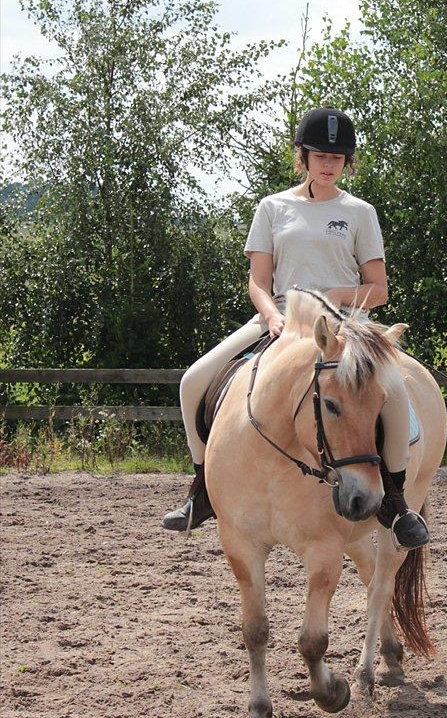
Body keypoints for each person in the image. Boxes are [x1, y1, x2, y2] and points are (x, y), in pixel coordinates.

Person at [162, 107, 429, 550]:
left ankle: (396, 499)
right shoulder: (272, 208)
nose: (328, 164)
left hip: (343, 323)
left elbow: (378, 289)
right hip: (280, 316)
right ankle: (202, 490)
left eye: (338, 158)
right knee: (192, 381)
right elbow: (258, 281)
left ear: (347, 163)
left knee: (396, 392)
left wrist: (331, 295)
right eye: (320, 155)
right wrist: (270, 315)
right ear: (302, 157)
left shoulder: (360, 212)